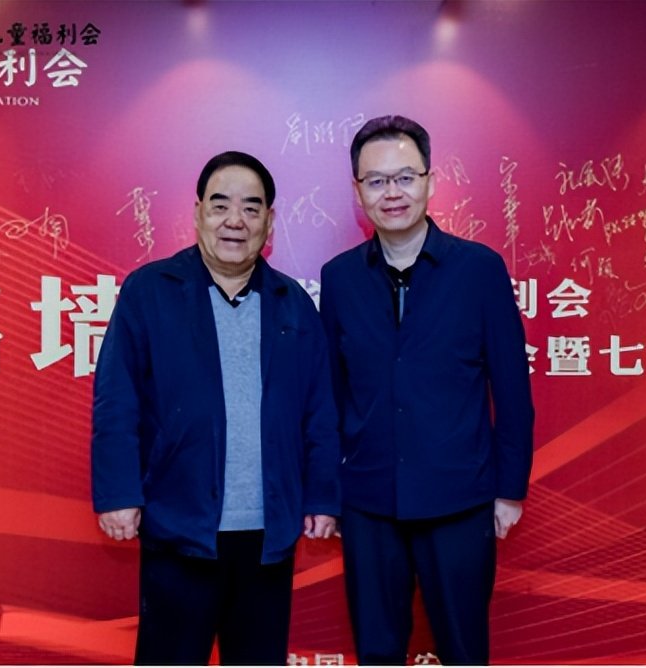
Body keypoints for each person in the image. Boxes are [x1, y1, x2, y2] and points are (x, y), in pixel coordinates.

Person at [92, 151, 340, 666]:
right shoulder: (151, 291)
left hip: (268, 535)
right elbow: (118, 400)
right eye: (221, 205)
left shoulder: (293, 303)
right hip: (178, 525)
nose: (235, 221)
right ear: (198, 212)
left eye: (252, 208)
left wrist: (322, 496)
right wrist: (119, 493)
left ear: (270, 221)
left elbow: (319, 410)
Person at [319, 116, 534, 665]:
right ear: (357, 191)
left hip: (459, 498)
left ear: (430, 181)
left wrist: (509, 490)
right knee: (377, 651)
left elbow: (511, 388)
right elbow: (330, 396)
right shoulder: (340, 278)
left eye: (405, 177)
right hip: (368, 502)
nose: (391, 193)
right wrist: (327, 493)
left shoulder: (479, 270)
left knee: (463, 649)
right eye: (376, 181)